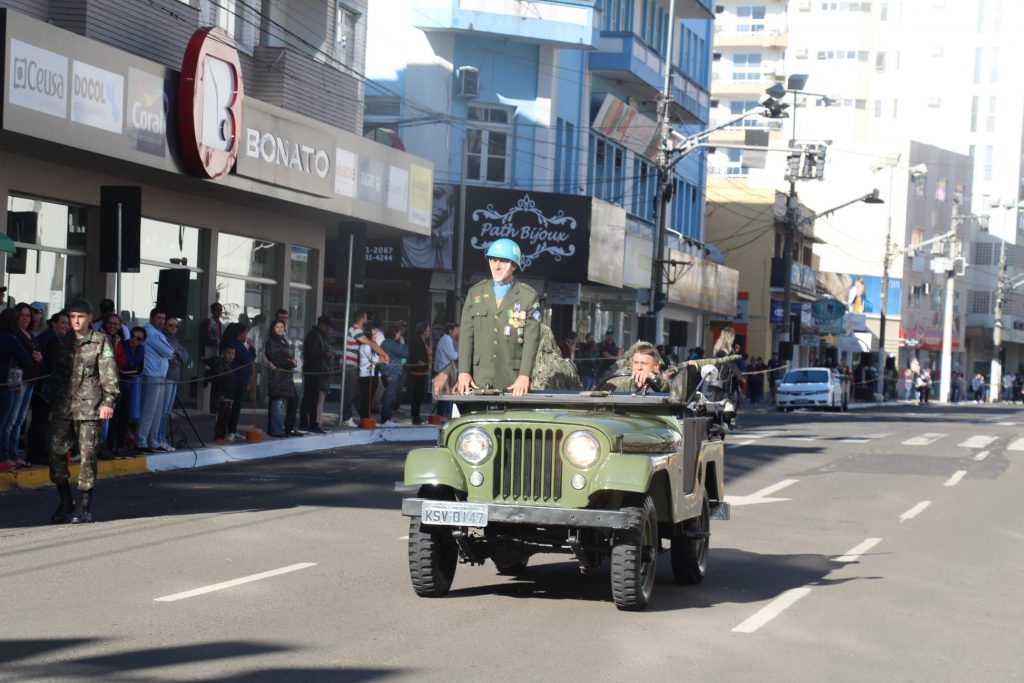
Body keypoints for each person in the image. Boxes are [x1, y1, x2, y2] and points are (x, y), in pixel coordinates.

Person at [47, 299, 119, 524]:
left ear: (89, 318)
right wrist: (53, 406)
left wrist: (108, 402)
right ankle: (66, 500)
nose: (75, 321)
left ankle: (85, 507)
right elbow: (57, 377)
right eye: (72, 317)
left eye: (80, 317)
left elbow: (109, 375)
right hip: (64, 408)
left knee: (88, 458)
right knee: (55, 453)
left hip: (90, 408)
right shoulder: (63, 342)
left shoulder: (100, 341)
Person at [455, 238, 541, 398]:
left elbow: (531, 340)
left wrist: (524, 375)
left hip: (512, 379)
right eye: (493, 260)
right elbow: (466, 336)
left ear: (514, 265)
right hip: (478, 378)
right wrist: (464, 372)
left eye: (502, 261)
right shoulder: (476, 293)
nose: (497, 265)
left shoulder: (527, 296)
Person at [27, 312, 70, 466]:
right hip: (46, 386)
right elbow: (56, 366)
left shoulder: (51, 337)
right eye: (63, 323)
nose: (66, 326)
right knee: (43, 421)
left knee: (41, 420)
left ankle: (37, 453)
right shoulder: (52, 339)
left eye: (67, 323)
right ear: (54, 323)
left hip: (45, 385)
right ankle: (38, 453)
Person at [134, 308, 175, 453]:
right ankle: (141, 440)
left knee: (158, 411)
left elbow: (170, 349)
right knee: (148, 410)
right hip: (151, 375)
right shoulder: (150, 332)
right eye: (159, 318)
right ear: (151, 318)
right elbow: (169, 351)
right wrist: (171, 353)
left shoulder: (159, 334)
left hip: (160, 375)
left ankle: (153, 440)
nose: (162, 321)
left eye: (163, 318)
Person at [341, 310, 389, 428]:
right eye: (366, 318)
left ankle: (364, 417)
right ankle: (346, 418)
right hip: (350, 365)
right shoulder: (355, 330)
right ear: (362, 318)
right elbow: (369, 344)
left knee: (358, 394)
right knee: (350, 393)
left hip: (353, 366)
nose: (367, 321)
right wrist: (384, 354)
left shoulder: (358, 330)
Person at [0, 308, 34, 472]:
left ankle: (8, 456)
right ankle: (4, 457)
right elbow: (25, 359)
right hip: (8, 384)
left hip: (7, 384)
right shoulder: (12, 339)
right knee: (6, 422)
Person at [155, 317, 189, 451]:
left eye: (175, 326)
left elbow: (185, 356)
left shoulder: (175, 340)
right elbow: (171, 360)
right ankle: (159, 437)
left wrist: (178, 356)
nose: (173, 328)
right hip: (167, 377)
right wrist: (177, 357)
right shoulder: (163, 338)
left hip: (175, 378)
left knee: (168, 410)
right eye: (170, 325)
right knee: (163, 411)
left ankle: (162, 437)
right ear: (165, 326)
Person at [112, 326, 145, 457]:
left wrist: (128, 367)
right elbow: (119, 367)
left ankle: (120, 446)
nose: (134, 340)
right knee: (114, 417)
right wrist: (129, 367)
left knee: (125, 416)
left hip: (127, 386)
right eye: (132, 336)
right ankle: (112, 445)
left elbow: (139, 370)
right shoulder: (122, 345)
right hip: (115, 385)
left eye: (138, 338)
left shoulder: (141, 349)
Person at [300, 315, 334, 434]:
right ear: (323, 325)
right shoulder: (314, 335)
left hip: (314, 369)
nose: (329, 330)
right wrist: (325, 354)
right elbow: (312, 352)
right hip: (312, 370)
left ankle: (306, 422)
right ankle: (312, 424)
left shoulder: (318, 335)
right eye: (328, 327)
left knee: (310, 397)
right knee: (312, 398)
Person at [264, 319, 297, 438]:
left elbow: (287, 357)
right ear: (273, 328)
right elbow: (274, 358)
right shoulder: (271, 341)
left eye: (282, 327)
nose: (280, 329)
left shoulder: (284, 341)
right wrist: (289, 363)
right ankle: (276, 430)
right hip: (277, 375)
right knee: (277, 402)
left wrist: (293, 362)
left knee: (282, 403)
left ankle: (279, 428)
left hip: (285, 375)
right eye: (277, 327)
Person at [224, 322, 255, 441]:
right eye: (245, 332)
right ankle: (229, 430)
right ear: (241, 334)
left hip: (240, 379)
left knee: (236, 406)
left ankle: (233, 429)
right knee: (234, 406)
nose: (246, 335)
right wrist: (252, 348)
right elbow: (248, 359)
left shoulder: (238, 344)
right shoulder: (236, 345)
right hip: (236, 379)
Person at [597, 343, 669, 393]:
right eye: (636, 363)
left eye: (644, 363)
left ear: (656, 367)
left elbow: (666, 387)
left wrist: (652, 377)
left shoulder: (662, 384)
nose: (639, 367)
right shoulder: (625, 388)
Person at [379, 324, 409, 427]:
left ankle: (386, 418)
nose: (400, 335)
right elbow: (405, 354)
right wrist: (403, 344)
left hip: (386, 372)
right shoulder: (392, 344)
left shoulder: (385, 343)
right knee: (390, 396)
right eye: (399, 332)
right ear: (394, 333)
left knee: (389, 395)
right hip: (393, 372)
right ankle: (386, 419)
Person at [358, 319, 383, 423]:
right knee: (366, 397)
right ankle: (364, 417)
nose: (375, 336)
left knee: (370, 396)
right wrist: (381, 359)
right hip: (366, 375)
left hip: (372, 373)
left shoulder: (372, 345)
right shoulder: (366, 345)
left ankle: (366, 415)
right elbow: (373, 359)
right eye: (373, 334)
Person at [406, 322, 431, 425]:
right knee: (417, 395)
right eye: (428, 330)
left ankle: (416, 415)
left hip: (423, 371)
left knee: (420, 395)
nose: (429, 332)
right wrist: (418, 361)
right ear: (423, 331)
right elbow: (412, 353)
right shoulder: (416, 340)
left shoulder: (424, 340)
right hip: (417, 372)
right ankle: (415, 416)